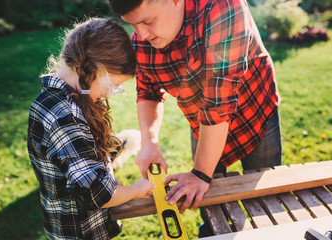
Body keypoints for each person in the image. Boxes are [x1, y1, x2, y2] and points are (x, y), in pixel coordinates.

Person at [109, 0, 281, 236]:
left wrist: (200, 173)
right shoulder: (142, 38)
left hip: (254, 112)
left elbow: (217, 104)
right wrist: (150, 144)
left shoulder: (224, 7)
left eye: (147, 22)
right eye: (133, 25)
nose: (141, 35)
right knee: (210, 207)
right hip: (202, 122)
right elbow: (148, 92)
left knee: (266, 200)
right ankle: (212, 230)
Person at [27, 18, 154, 240]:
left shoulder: (60, 99)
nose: (110, 93)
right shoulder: (64, 115)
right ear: (94, 68)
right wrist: (137, 189)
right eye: (113, 85)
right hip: (79, 232)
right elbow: (100, 195)